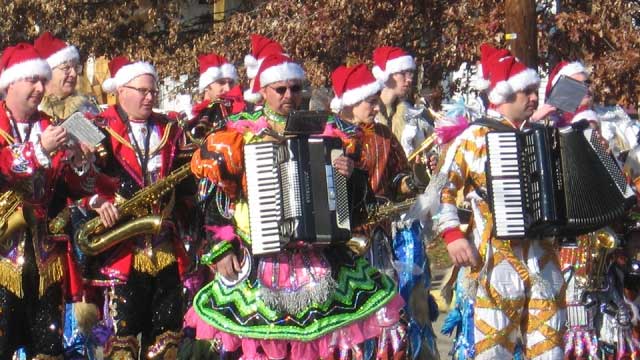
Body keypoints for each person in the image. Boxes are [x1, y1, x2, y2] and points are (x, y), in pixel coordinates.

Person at [187, 53, 405, 359]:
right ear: (263, 91)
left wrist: (349, 175)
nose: (290, 95)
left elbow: (357, 206)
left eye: (296, 88)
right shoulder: (237, 134)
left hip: (317, 260)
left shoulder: (329, 130)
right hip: (260, 262)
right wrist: (221, 247)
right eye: (281, 89)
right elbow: (214, 200)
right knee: (264, 347)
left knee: (321, 348)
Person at [436, 43, 566, 359]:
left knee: (550, 349)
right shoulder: (473, 138)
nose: (535, 98)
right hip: (496, 261)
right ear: (505, 95)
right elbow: (443, 189)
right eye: (527, 92)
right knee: (494, 350)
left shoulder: (544, 135)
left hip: (544, 257)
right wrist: (452, 235)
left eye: (535, 91)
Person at [330, 63, 438, 358]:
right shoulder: (329, 135)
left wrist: (413, 181)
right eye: (370, 101)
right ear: (351, 101)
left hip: (378, 238)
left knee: (383, 314)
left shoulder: (384, 136)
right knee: (346, 317)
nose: (376, 107)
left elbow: (397, 178)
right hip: (340, 242)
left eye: (377, 100)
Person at [84, 56, 187, 359]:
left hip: (165, 247)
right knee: (123, 339)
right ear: (120, 90)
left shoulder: (169, 127)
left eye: (153, 91)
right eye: (142, 90)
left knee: (167, 338)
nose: (149, 97)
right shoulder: (96, 124)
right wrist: (94, 200)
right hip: (121, 251)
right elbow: (73, 176)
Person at [0, 42, 95, 359]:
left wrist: (81, 163)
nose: (41, 88)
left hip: (45, 262)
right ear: (11, 82)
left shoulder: (53, 125)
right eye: (33, 80)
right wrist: (38, 150)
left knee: (48, 348)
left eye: (44, 80)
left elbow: (76, 185)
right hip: (4, 259)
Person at [372, 46, 433, 157]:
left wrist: (430, 160)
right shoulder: (369, 116)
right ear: (386, 75)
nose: (409, 79)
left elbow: (428, 152)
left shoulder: (413, 116)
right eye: (403, 73)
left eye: (410, 73)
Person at [33, 31, 99, 123]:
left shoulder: (88, 108)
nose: (74, 74)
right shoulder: (33, 110)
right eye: (66, 68)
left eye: (76, 68)